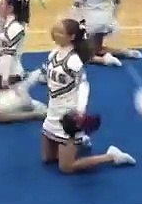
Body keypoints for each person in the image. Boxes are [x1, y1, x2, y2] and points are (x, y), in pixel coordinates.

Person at [35, 18, 136, 173]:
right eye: (54, 30)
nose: (55, 34)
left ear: (72, 37)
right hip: (52, 113)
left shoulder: (74, 61)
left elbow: (83, 85)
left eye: (60, 32)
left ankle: (111, 156)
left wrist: (80, 111)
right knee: (48, 159)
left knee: (66, 167)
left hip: (67, 116)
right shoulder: (53, 55)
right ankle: (79, 142)